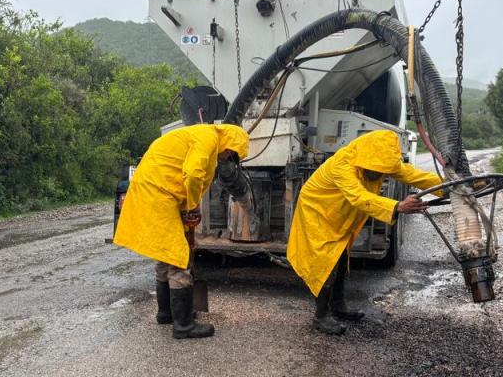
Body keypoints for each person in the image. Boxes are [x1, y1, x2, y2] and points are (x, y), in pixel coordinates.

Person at [287, 129, 443, 335]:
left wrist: (450, 187)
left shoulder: (380, 162)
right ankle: (321, 316)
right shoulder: (342, 165)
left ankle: (338, 305)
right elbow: (358, 196)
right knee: (325, 263)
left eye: (383, 171)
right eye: (377, 170)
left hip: (339, 213)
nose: (379, 175)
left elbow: (414, 175)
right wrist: (396, 206)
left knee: (341, 258)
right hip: (318, 213)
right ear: (365, 160)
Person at [114, 123, 250, 339]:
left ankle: (167, 313)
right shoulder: (208, 139)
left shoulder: (202, 137)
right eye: (232, 154)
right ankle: (183, 325)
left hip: (156, 191)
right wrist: (192, 204)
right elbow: (194, 174)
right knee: (179, 258)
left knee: (165, 254)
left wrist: (187, 204)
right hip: (158, 194)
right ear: (230, 143)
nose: (227, 158)